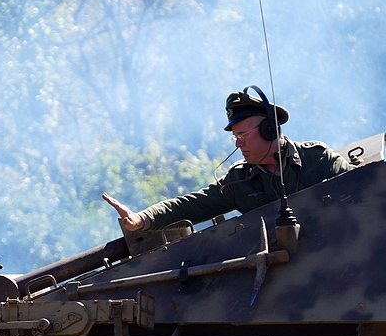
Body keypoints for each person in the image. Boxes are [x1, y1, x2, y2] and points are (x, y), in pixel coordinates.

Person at [103, 87, 351, 231]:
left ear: (270, 129)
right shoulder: (239, 181)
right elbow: (191, 205)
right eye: (235, 136)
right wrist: (144, 219)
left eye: (243, 134)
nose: (238, 143)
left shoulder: (318, 160)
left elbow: (368, 185)